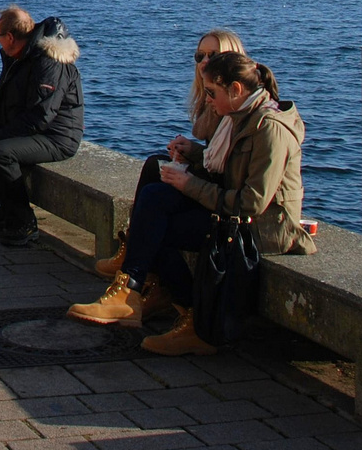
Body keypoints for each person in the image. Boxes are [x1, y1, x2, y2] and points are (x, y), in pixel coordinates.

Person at [68, 50, 316, 356]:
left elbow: (253, 202)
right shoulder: (242, 116)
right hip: (236, 216)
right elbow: (229, 168)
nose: (208, 100)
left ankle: (185, 314)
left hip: (262, 229)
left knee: (155, 226)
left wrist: (190, 184)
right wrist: (195, 153)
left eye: (212, 92)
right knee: (155, 193)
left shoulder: (269, 129)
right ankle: (136, 292)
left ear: (235, 90)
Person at [91, 29, 247, 279]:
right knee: (155, 166)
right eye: (200, 56)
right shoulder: (209, 100)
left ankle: (140, 279)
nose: (205, 62)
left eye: (214, 55)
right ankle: (133, 256)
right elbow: (216, 157)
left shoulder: (236, 107)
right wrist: (192, 152)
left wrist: (190, 176)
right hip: (216, 185)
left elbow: (233, 170)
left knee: (154, 207)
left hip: (225, 199)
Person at [0, 7, 83, 248]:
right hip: (27, 128)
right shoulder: (17, 58)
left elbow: (40, 117)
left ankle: (23, 223)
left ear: (10, 37)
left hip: (55, 136)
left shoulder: (48, 62)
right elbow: (0, 105)